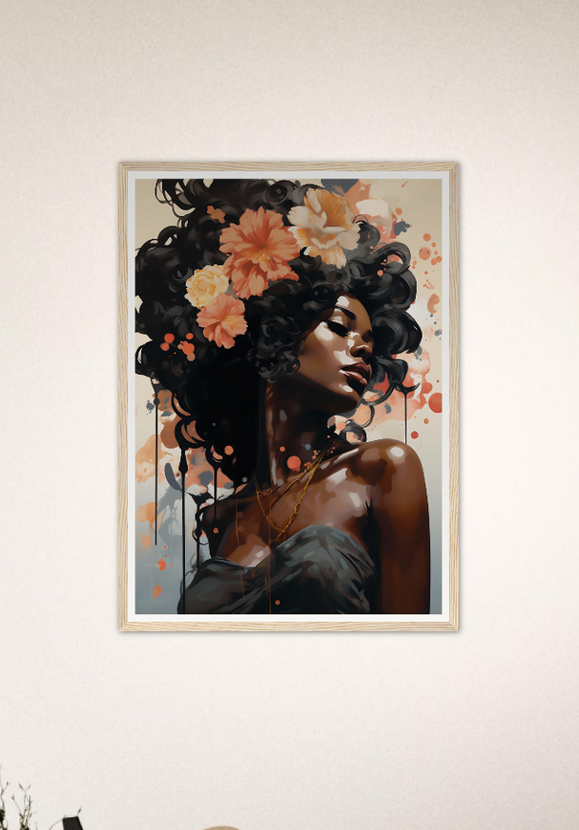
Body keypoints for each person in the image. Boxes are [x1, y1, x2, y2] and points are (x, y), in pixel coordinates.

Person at [134, 177, 431, 616]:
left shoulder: (383, 470)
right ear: (275, 327)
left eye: (370, 338)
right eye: (340, 326)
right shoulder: (221, 518)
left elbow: (410, 649)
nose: (364, 347)